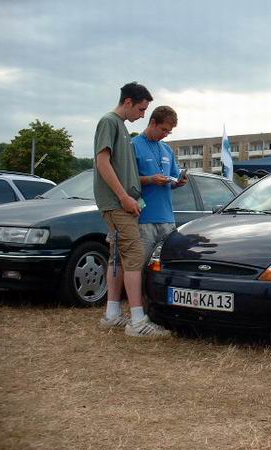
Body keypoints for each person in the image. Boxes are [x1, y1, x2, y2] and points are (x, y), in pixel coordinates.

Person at [94, 81, 170, 337]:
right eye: (140, 109)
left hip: (124, 203)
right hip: (118, 203)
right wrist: (124, 196)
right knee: (135, 254)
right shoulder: (110, 122)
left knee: (118, 256)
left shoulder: (122, 128)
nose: (142, 115)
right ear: (128, 102)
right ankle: (138, 321)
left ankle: (112, 313)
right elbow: (102, 161)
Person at [133, 106, 186, 261]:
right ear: (153, 123)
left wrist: (179, 182)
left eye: (168, 132)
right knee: (140, 266)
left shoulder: (166, 149)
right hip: (144, 219)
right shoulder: (133, 145)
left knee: (165, 265)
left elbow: (174, 178)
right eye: (163, 130)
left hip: (167, 219)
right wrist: (150, 179)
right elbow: (125, 180)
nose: (165, 135)